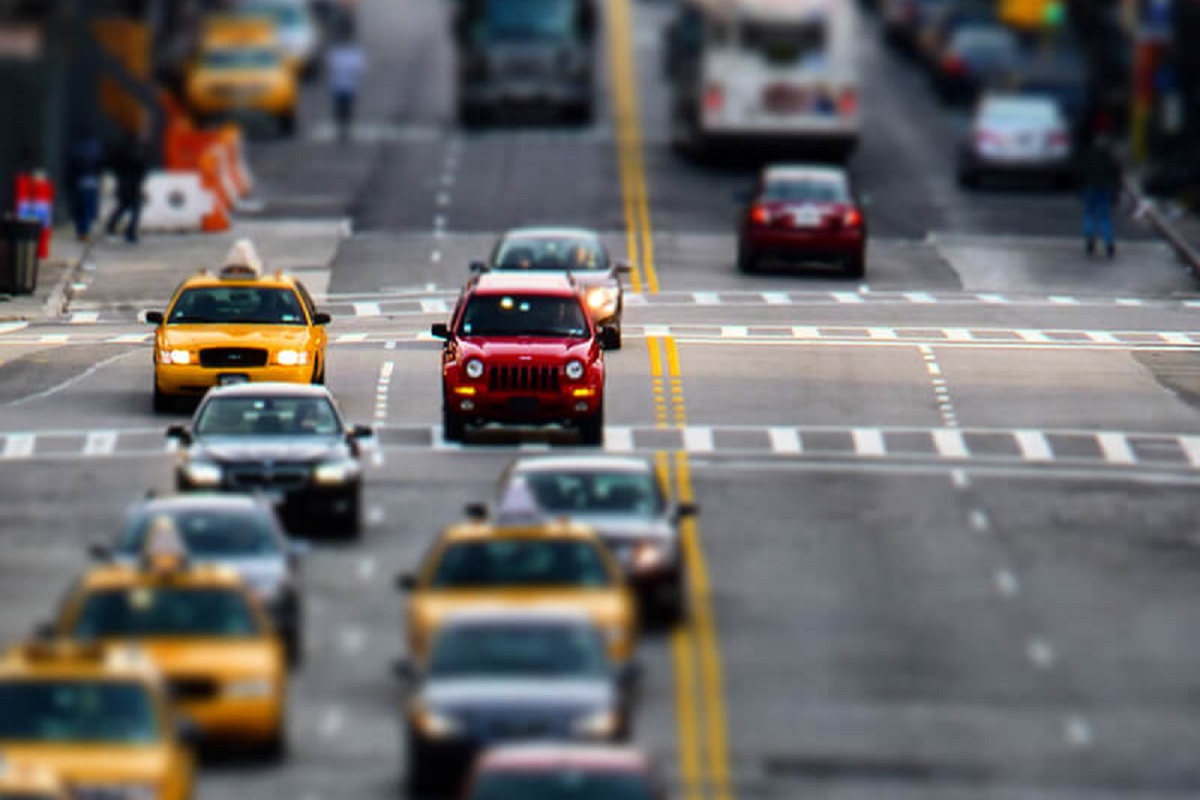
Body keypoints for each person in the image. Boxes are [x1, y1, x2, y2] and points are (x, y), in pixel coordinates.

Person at [1079, 135, 1123, 258]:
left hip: (1090, 188)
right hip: (1104, 190)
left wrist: (1080, 188)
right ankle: (1109, 243)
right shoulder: (1111, 159)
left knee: (1089, 213)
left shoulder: (1088, 157)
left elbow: (1081, 173)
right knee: (1104, 217)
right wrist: (1116, 192)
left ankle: (1089, 236)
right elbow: (1117, 177)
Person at [104, 132, 149, 244]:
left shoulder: (121, 151)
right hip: (134, 183)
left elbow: (114, 164)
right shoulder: (138, 152)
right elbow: (142, 167)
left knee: (123, 206)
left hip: (123, 182)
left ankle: (111, 225)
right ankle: (130, 232)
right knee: (135, 208)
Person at [326, 33, 367, 143]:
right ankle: (343, 126)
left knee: (343, 107)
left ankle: (343, 126)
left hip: (342, 86)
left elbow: (330, 68)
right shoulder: (350, 55)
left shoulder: (337, 54)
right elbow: (360, 69)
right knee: (344, 107)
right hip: (345, 86)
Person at [66, 128, 104, 242]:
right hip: (92, 181)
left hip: (79, 181)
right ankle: (85, 231)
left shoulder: (76, 148)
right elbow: (100, 164)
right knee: (88, 208)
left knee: (80, 208)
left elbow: (71, 165)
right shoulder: (96, 148)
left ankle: (80, 230)